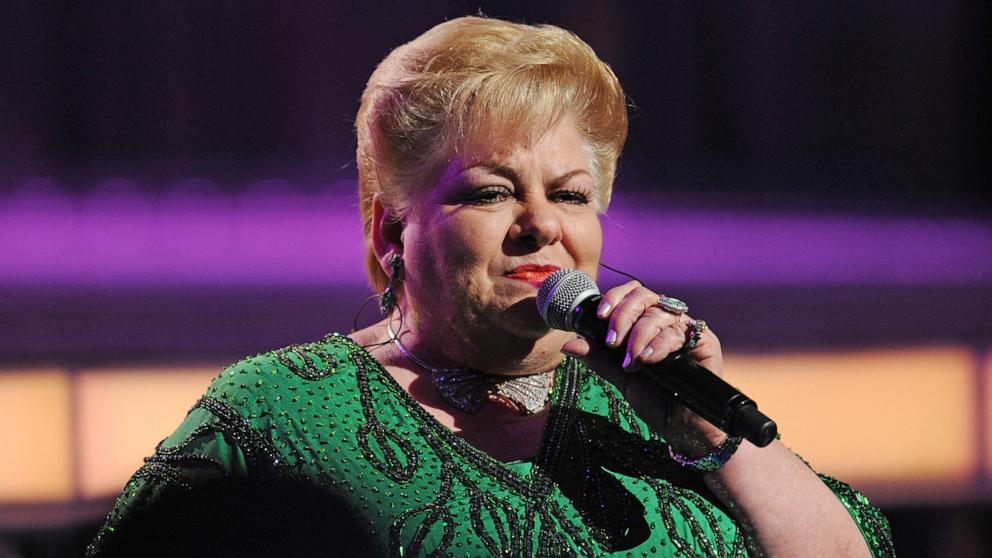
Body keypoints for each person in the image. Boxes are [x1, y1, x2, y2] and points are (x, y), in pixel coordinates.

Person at [88, 16, 893, 557]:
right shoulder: (279, 411)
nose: (542, 224)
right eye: (490, 191)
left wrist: (710, 431)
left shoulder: (657, 406)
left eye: (571, 194)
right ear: (390, 232)